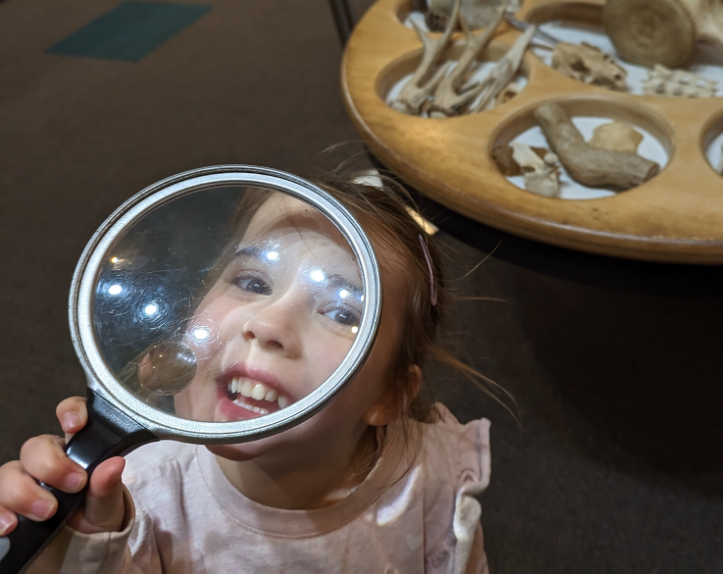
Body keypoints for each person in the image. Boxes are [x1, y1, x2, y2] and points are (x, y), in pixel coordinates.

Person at [0, 167, 494, 573]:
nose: (268, 322)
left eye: (344, 314)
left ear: (388, 394)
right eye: (253, 282)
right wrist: (74, 552)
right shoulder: (135, 497)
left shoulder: (433, 481)